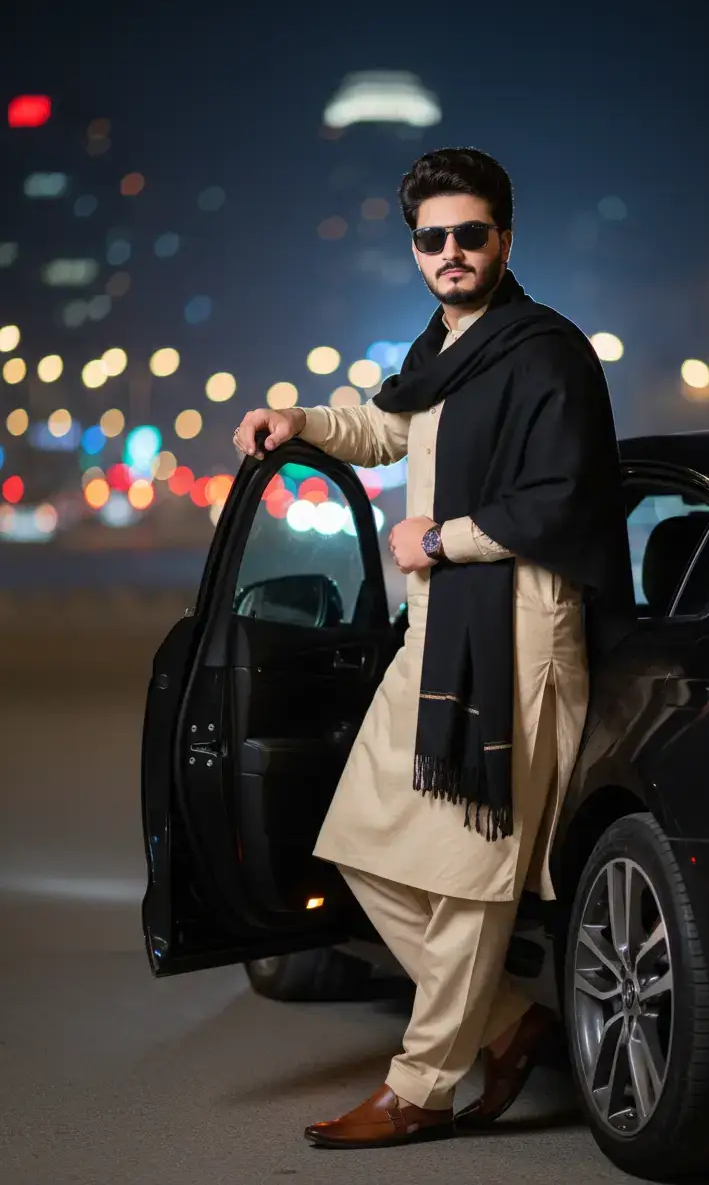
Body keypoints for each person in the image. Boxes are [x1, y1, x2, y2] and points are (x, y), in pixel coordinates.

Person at [233, 147, 636, 1149]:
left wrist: (441, 540)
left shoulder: (544, 352)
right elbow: (383, 427)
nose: (451, 253)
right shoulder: (443, 353)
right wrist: (297, 422)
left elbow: (563, 499)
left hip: (521, 637)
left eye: (471, 234)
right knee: (364, 845)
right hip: (440, 634)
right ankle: (509, 1024)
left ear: (505, 236)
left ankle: (422, 1086)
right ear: (412, 248)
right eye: (432, 238)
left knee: (465, 879)